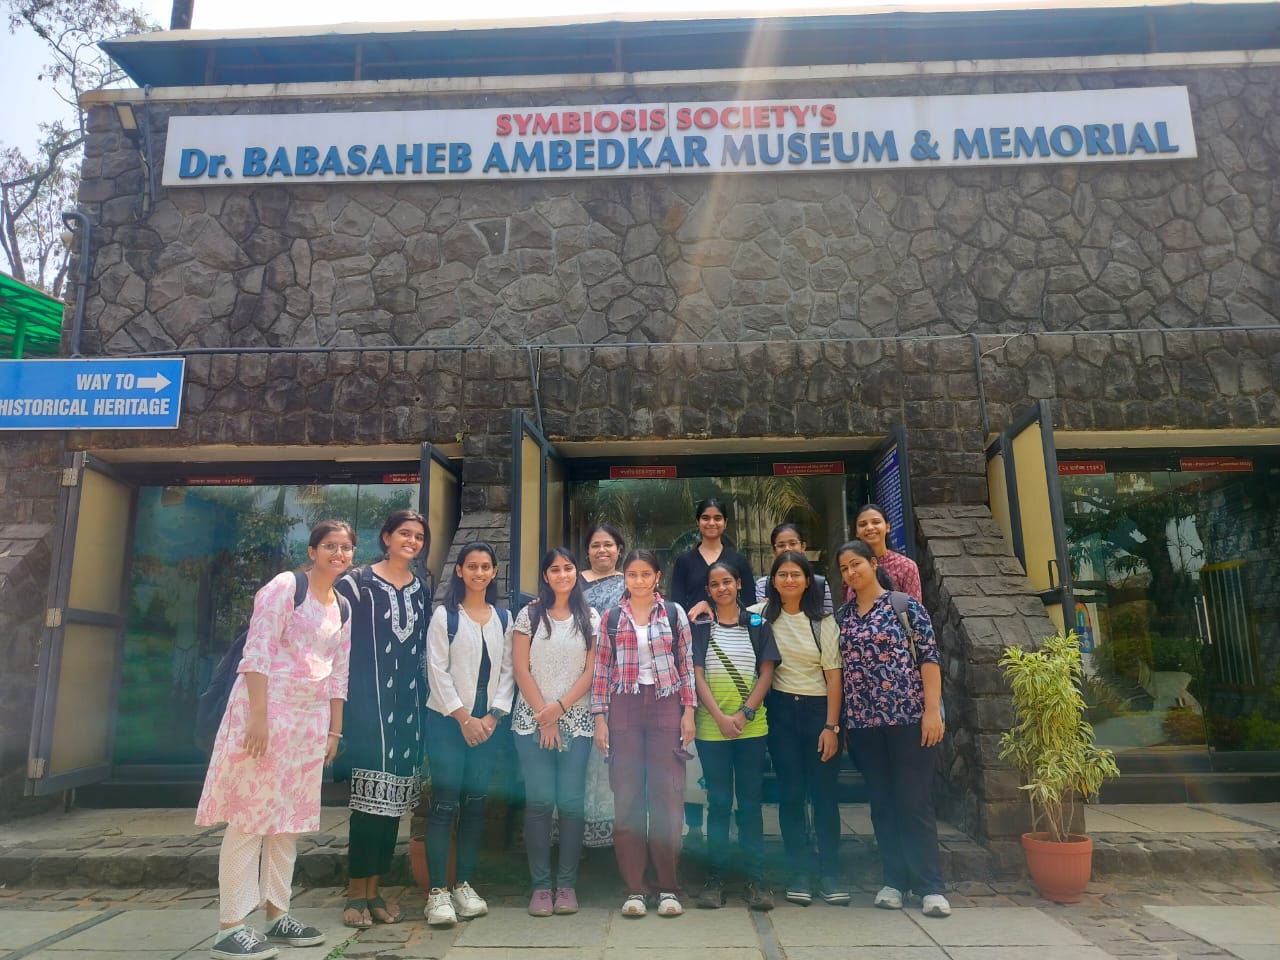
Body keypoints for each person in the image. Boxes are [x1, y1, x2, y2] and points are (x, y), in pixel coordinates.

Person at [196, 520, 354, 960]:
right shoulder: (286, 586)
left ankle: (276, 913)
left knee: (287, 824)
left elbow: (339, 671)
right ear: (312, 550)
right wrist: (258, 719)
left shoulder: (341, 605)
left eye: (345, 548)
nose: (338, 554)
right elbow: (257, 651)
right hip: (264, 715)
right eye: (330, 546)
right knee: (249, 818)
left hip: (309, 723)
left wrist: (334, 730)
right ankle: (231, 925)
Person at [835, 539, 950, 919]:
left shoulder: (905, 606)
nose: (851, 573)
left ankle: (930, 886)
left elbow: (929, 658)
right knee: (882, 803)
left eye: (856, 565)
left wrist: (932, 711)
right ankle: (894, 881)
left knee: (914, 800)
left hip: (909, 719)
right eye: (844, 569)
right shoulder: (843, 617)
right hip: (865, 724)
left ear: (872, 563)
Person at [335, 510, 429, 929]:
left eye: (419, 536)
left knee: (392, 803)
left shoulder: (420, 590)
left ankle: (377, 891)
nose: (411, 541)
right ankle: (356, 892)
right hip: (366, 707)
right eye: (404, 534)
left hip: (406, 712)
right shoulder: (356, 584)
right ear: (387, 537)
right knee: (367, 802)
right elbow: (334, 643)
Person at [591, 548, 695, 918]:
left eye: (644, 574)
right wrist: (600, 719)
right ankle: (634, 889)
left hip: (666, 706)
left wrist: (689, 713)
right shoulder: (612, 618)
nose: (638, 580)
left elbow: (686, 665)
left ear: (657, 577)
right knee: (629, 799)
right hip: (625, 707)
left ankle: (668, 888)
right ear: (625, 578)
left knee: (667, 797)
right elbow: (602, 670)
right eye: (631, 574)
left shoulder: (674, 614)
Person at [423, 541, 514, 928]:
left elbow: (509, 672)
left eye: (486, 567)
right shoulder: (445, 617)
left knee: (475, 804)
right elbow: (436, 672)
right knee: (445, 804)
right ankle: (438, 893)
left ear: (495, 572)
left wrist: (491, 717)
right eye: (471, 566)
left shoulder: (504, 619)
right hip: (447, 721)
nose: (479, 572)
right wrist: (464, 717)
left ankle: (464, 884)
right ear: (459, 571)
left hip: (487, 723)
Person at [754, 551, 847, 908]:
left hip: (818, 710)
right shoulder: (762, 616)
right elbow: (726, 614)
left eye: (796, 574)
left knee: (824, 795)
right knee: (791, 794)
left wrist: (832, 726)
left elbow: (833, 677)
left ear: (808, 581)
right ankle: (798, 872)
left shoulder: (822, 621)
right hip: (780, 711)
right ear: (773, 582)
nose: (789, 580)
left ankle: (829, 872)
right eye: (782, 575)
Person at [511, 548, 600, 917]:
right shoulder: (529, 614)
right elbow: (520, 667)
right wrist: (544, 716)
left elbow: (592, 672)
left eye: (567, 568)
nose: (562, 574)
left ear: (575, 574)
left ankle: (566, 886)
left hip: (576, 721)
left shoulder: (590, 616)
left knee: (571, 804)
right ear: (545, 576)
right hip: (531, 721)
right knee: (539, 803)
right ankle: (540, 888)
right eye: (554, 569)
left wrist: (560, 710)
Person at [692, 560, 779, 911]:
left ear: (739, 584)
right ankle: (715, 879)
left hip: (751, 730)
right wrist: (719, 716)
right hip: (712, 730)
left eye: (727, 582)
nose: (722, 588)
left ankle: (756, 880)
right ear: (708, 591)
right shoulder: (701, 628)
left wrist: (743, 714)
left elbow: (767, 673)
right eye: (714, 584)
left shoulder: (758, 625)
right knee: (718, 804)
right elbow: (696, 674)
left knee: (750, 805)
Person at [577, 523, 624, 848]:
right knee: (581, 755)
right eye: (595, 545)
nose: (602, 550)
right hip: (577, 676)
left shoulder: (630, 582)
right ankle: (574, 839)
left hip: (620, 675)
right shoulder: (571, 580)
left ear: (619, 549)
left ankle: (618, 839)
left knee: (614, 753)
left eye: (608, 544)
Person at [670, 497, 754, 621]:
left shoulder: (739, 560)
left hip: (733, 632)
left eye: (717, 518)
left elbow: (750, 603)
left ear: (725, 523)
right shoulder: (684, 562)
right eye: (705, 518)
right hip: (695, 633)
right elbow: (677, 607)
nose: (711, 523)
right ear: (697, 522)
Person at [754, 523, 833, 614]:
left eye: (792, 543)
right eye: (781, 545)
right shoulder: (763, 585)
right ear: (774, 551)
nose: (787, 549)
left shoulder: (820, 584)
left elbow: (828, 620)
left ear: (803, 547)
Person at [853, 503, 921, 601]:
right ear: (856, 532)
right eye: (863, 524)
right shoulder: (852, 569)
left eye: (876, 522)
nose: (870, 528)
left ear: (887, 527)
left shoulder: (906, 566)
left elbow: (915, 612)